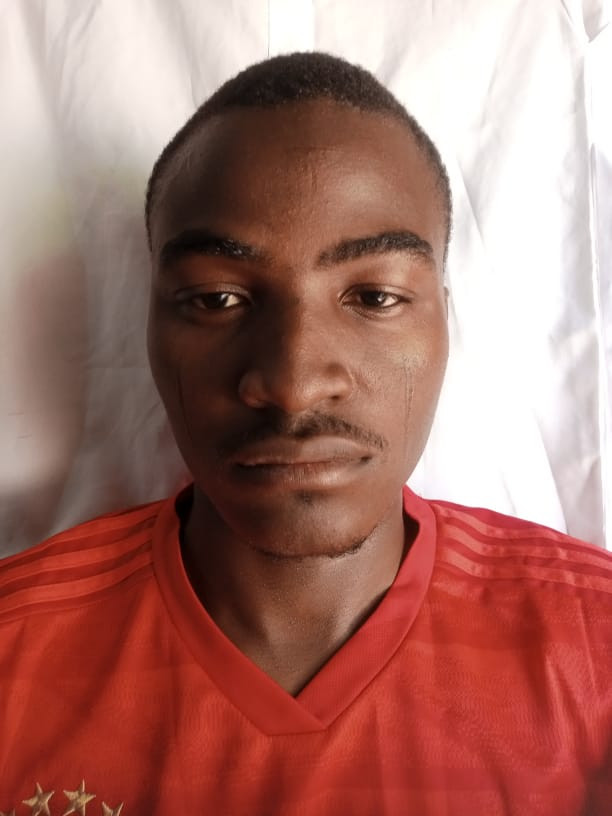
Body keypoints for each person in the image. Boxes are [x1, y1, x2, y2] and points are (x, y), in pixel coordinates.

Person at [0, 52, 610, 816]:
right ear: (146, 322)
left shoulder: (595, 647)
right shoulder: (14, 653)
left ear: (445, 320)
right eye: (217, 298)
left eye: (374, 296)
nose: (291, 384)